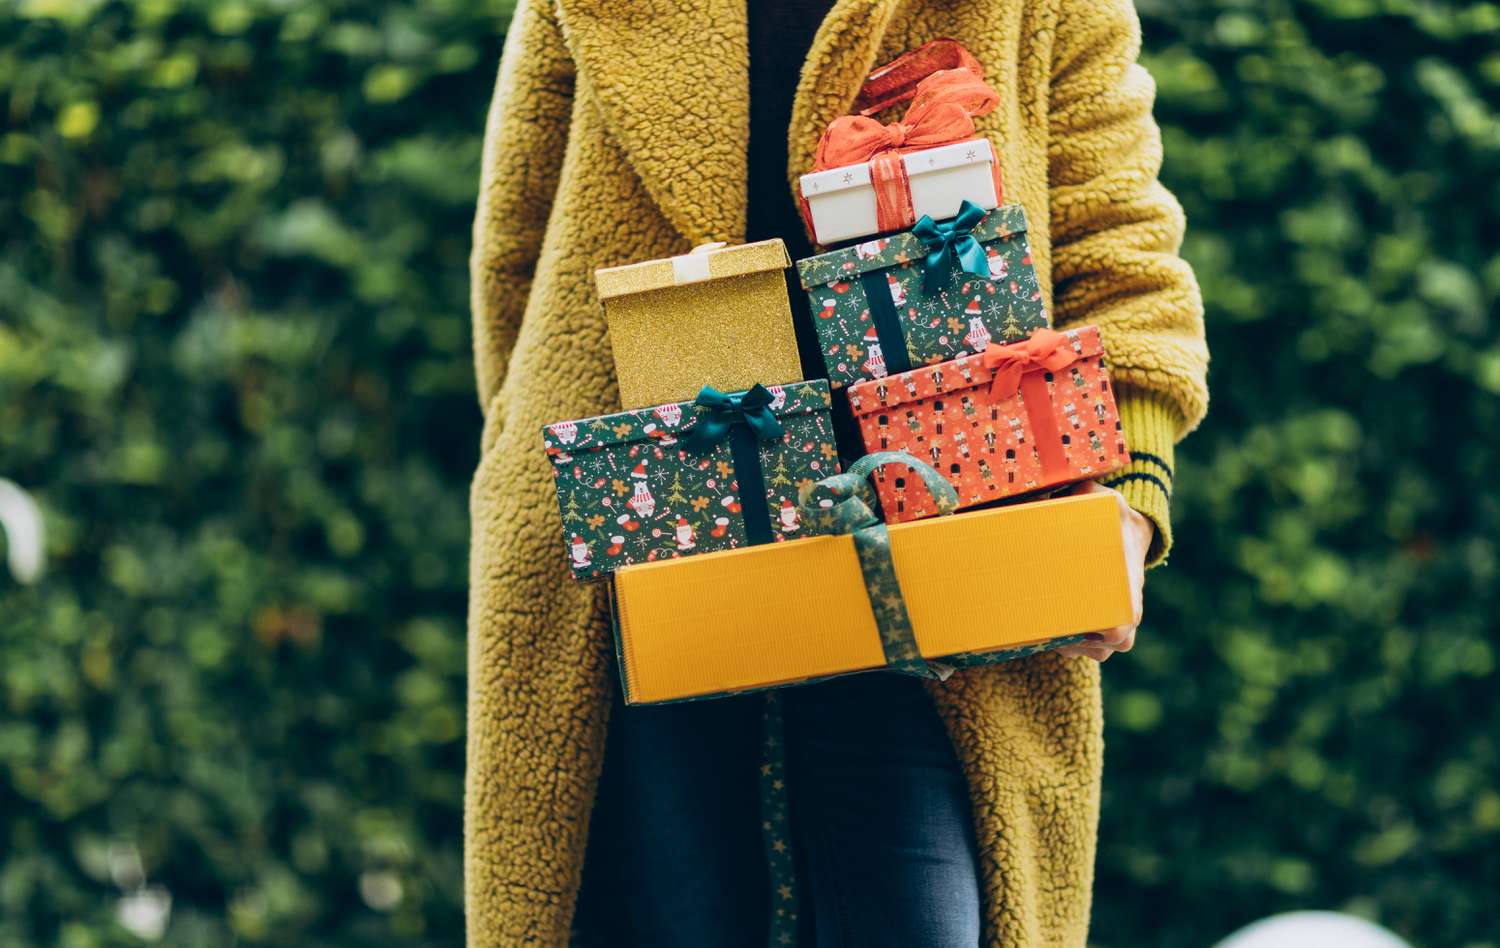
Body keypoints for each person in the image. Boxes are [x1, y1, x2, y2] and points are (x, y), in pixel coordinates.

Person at [466, 0, 1208, 945]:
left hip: (950, 577)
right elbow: (520, 271)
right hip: (648, 573)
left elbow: (1125, 258)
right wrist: (556, 483)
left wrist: (1130, 501)